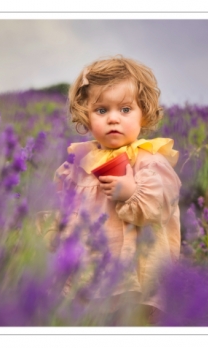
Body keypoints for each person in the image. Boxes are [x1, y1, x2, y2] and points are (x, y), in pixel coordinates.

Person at [48, 56, 181, 324]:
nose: (113, 119)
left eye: (124, 110)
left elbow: (162, 203)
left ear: (143, 112)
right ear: (85, 115)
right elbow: (64, 207)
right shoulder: (79, 163)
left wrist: (133, 192)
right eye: (101, 110)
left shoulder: (149, 160)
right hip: (89, 274)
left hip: (137, 280)